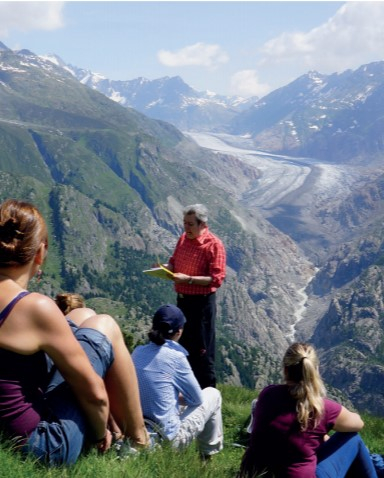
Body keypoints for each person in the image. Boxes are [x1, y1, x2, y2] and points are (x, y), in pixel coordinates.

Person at [0, 199, 149, 466]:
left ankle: (124, 431)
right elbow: (95, 395)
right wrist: (97, 431)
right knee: (105, 324)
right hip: (41, 445)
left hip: (7, 426)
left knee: (83, 315)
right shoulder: (35, 307)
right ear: (40, 253)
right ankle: (139, 441)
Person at [238, 342, 378, 478]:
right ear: (315, 370)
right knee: (352, 438)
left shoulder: (267, 394)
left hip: (255, 473)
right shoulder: (322, 408)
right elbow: (358, 424)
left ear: (285, 369)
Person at [132, 304, 223, 459]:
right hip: (165, 442)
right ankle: (207, 455)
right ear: (179, 331)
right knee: (213, 394)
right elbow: (196, 399)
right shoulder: (176, 357)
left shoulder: (137, 351)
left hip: (137, 433)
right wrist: (180, 397)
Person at [165, 204, 226, 389]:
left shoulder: (214, 244)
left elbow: (217, 279)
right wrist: (164, 269)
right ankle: (186, 390)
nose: (186, 227)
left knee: (202, 350)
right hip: (183, 300)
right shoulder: (183, 239)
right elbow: (174, 262)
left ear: (202, 224)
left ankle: (208, 393)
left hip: (201, 304)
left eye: (190, 224)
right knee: (183, 345)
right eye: (184, 223)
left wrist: (189, 279)